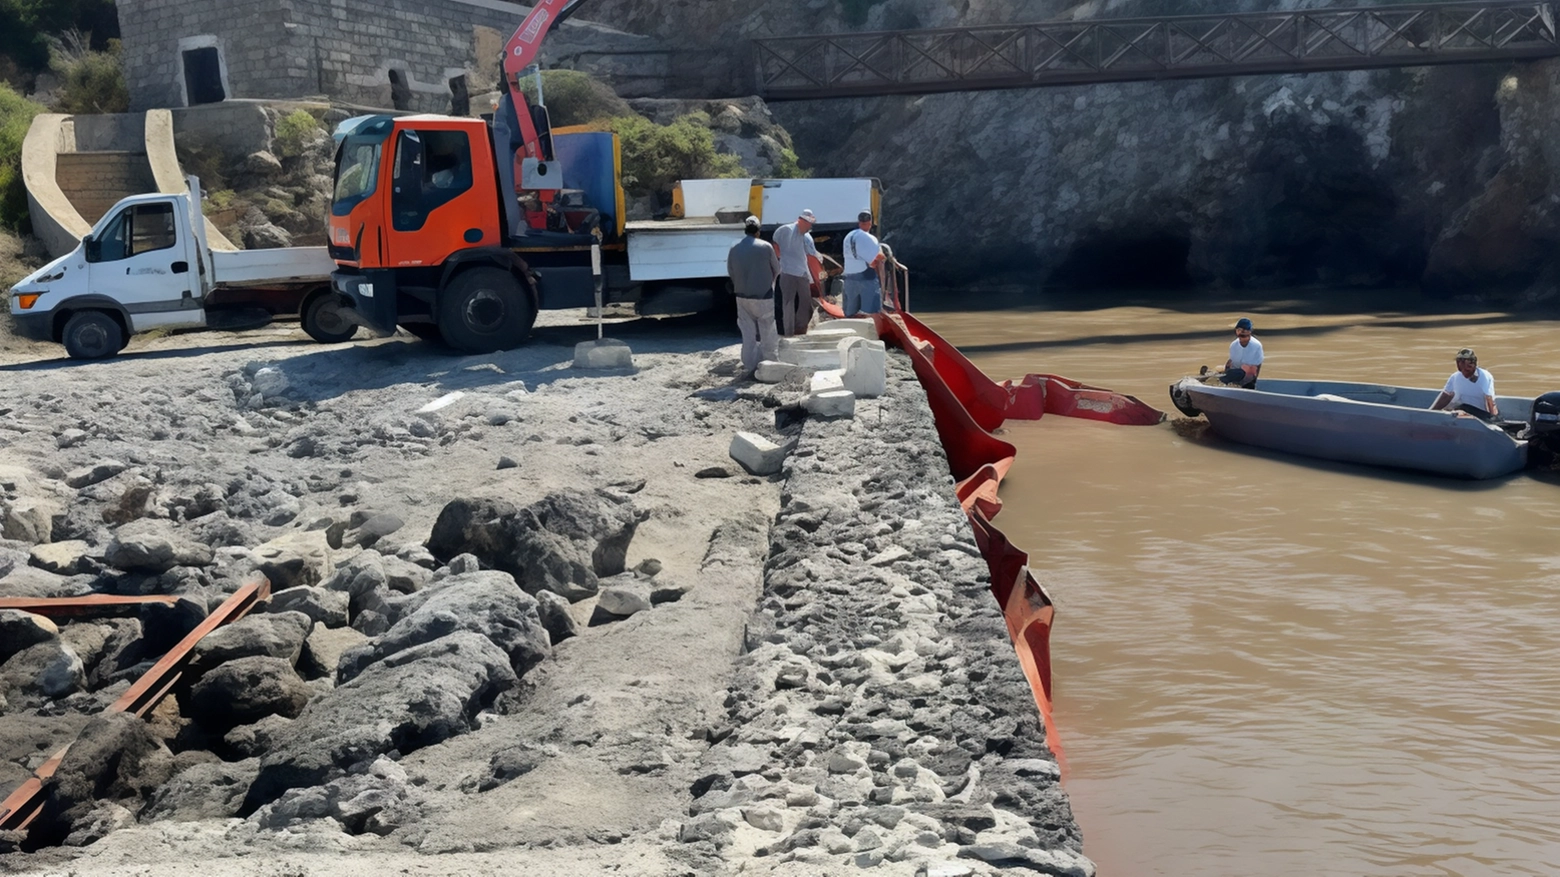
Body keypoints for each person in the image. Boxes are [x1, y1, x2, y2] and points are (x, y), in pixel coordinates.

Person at [726, 215, 780, 378]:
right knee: (768, 332)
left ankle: (750, 366)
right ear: (758, 231)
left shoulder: (734, 248)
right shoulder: (765, 246)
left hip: (742, 297)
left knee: (748, 334)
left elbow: (731, 271)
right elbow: (776, 269)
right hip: (763, 297)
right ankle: (771, 365)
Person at [772, 209, 820, 337]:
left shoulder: (782, 230)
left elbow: (775, 245)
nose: (810, 226)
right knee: (802, 303)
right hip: (799, 274)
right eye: (809, 223)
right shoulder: (806, 238)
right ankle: (798, 330)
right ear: (801, 221)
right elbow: (812, 258)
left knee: (789, 303)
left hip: (787, 272)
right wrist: (816, 280)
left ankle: (790, 331)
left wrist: (781, 258)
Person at [1429, 348, 1498, 421]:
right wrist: (1431, 412)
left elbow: (1489, 400)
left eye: (1467, 370)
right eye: (1461, 369)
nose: (1464, 373)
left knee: (1461, 407)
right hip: (1461, 412)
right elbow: (1446, 395)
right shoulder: (1455, 377)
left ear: (1473, 364)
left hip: (1480, 414)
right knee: (1456, 409)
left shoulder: (1484, 376)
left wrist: (1492, 418)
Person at [842, 210, 885, 316]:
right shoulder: (870, 238)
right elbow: (876, 260)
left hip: (849, 277)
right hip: (865, 277)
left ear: (859, 222)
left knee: (850, 312)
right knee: (870, 313)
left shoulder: (848, 236)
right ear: (870, 222)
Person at [1220, 317, 1263, 389]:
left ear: (1250, 331)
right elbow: (1231, 363)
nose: (1242, 332)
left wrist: (1246, 382)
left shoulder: (1256, 346)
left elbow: (1255, 368)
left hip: (1249, 375)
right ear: (1236, 331)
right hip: (1236, 373)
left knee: (1245, 373)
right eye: (1239, 330)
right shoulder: (1233, 345)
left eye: (1245, 330)